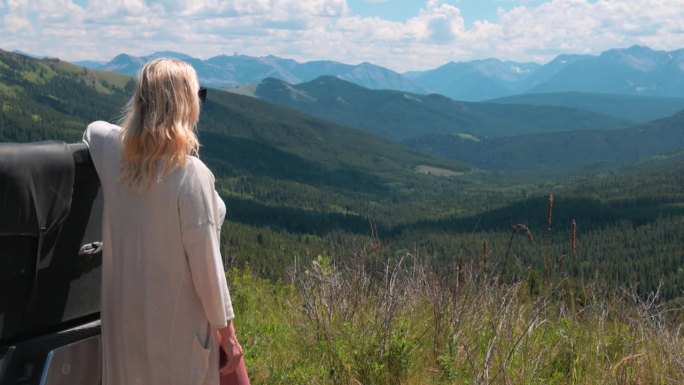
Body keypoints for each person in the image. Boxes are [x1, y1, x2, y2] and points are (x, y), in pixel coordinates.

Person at [83, 58, 249, 385]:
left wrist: (137, 135)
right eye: (197, 95)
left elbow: (92, 129)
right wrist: (227, 334)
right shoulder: (190, 175)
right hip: (176, 329)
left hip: (125, 322)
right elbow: (207, 269)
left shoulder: (112, 154)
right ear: (184, 104)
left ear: (142, 103)